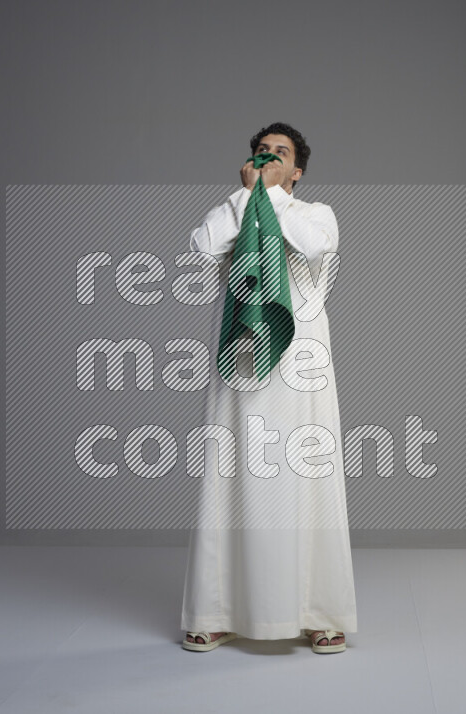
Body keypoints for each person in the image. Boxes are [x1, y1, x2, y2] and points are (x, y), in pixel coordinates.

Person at [181, 122, 357, 654]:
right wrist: (247, 196)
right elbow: (202, 248)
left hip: (300, 364)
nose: (269, 158)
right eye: (262, 151)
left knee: (306, 479)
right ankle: (217, 612)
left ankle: (319, 612)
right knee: (232, 477)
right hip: (241, 361)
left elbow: (314, 247)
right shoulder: (233, 209)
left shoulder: (315, 214)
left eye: (281, 153)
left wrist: (270, 196)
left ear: (297, 171)